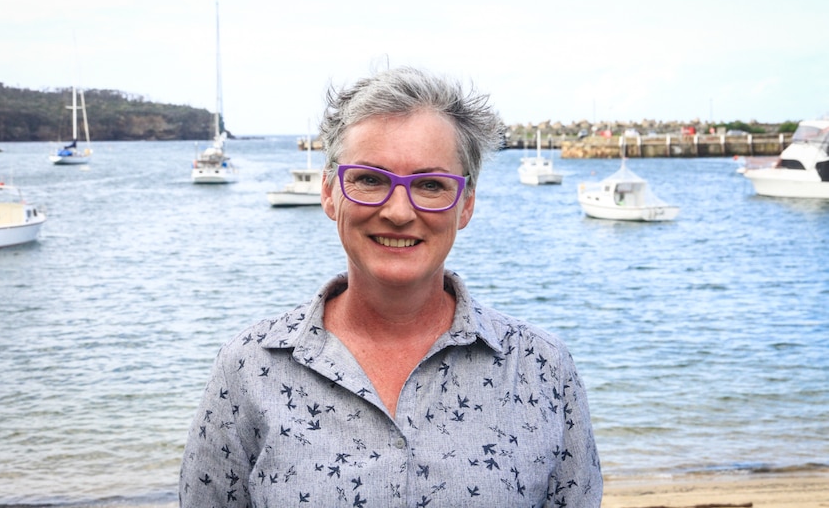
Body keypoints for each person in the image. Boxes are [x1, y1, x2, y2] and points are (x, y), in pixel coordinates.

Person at [179, 66, 603, 507]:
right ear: (329, 192)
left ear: (466, 205)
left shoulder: (543, 369)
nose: (399, 211)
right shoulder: (249, 368)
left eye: (430, 184)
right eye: (370, 179)